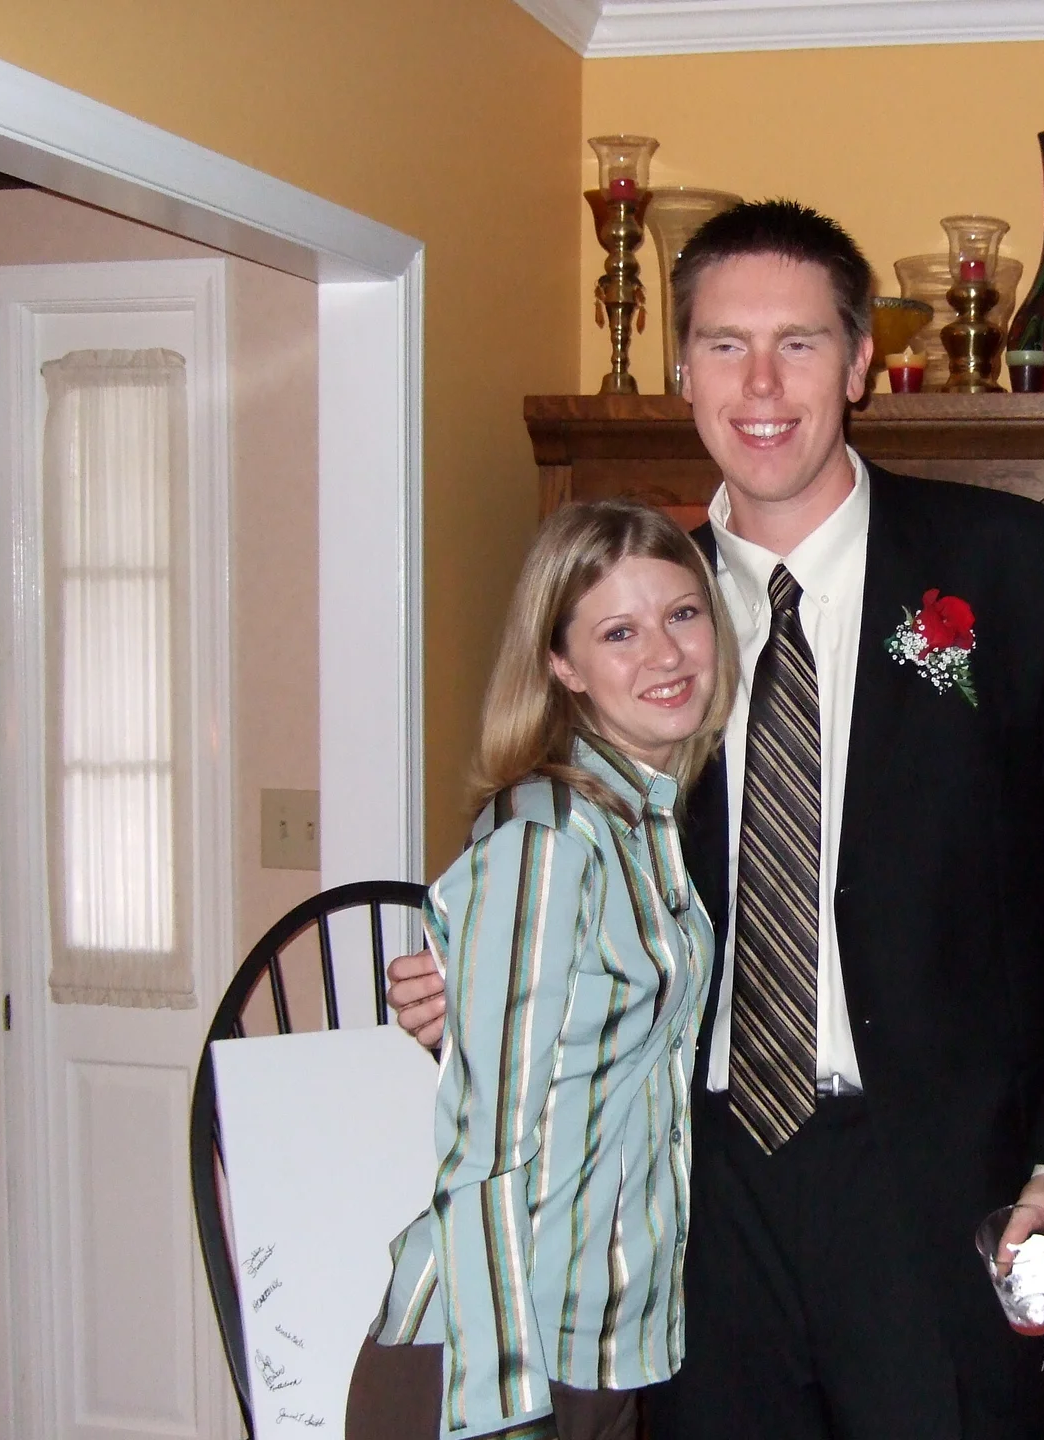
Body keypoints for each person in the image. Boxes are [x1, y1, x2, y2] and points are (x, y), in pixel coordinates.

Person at [388, 200, 1044, 1440]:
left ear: (860, 361)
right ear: (683, 369)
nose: (760, 385)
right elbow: (573, 853)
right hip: (689, 1204)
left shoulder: (1019, 573)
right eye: (725, 344)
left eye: (798, 343)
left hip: (945, 1193)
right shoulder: (640, 614)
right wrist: (485, 985)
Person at [347, 500, 739, 1440]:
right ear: (562, 665)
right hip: (493, 1365)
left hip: (603, 1344)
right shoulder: (548, 841)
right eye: (619, 632)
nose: (666, 653)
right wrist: (504, 1406)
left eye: (682, 614)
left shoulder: (647, 824)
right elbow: (483, 1151)